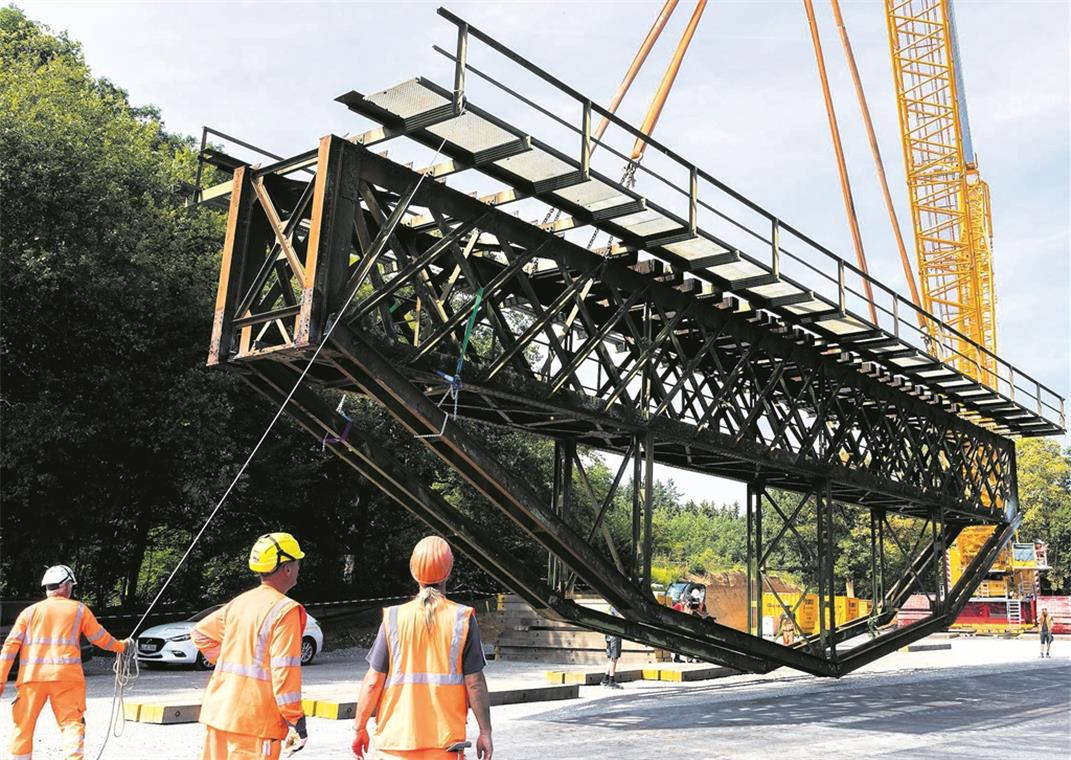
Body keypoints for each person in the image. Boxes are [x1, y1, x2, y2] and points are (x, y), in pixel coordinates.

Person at [352, 535, 493, 760]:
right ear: (448, 572)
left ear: (413, 572)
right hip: (444, 746)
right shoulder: (461, 619)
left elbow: (372, 682)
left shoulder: (394, 618)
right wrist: (485, 732)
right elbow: (474, 683)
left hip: (394, 745)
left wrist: (359, 728)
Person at [192, 532, 309, 759]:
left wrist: (230, 659)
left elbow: (200, 634)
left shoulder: (241, 602)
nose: (298, 568)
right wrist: (296, 719)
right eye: (297, 562)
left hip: (219, 715)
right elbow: (284, 671)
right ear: (287, 568)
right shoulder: (285, 610)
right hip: (255, 722)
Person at [0, 564, 131, 760]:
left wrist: (1, 679)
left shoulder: (29, 612)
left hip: (31, 680)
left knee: (23, 727)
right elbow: (99, 638)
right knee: (71, 724)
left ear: (47, 588)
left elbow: (10, 647)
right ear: (67, 585)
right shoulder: (78, 609)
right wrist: (122, 646)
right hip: (67, 679)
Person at [601, 607, 623, 689]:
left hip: (609, 633)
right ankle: (611, 681)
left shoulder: (611, 606)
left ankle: (605, 679)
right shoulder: (617, 607)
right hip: (614, 633)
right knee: (614, 657)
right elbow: (620, 617)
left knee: (612, 658)